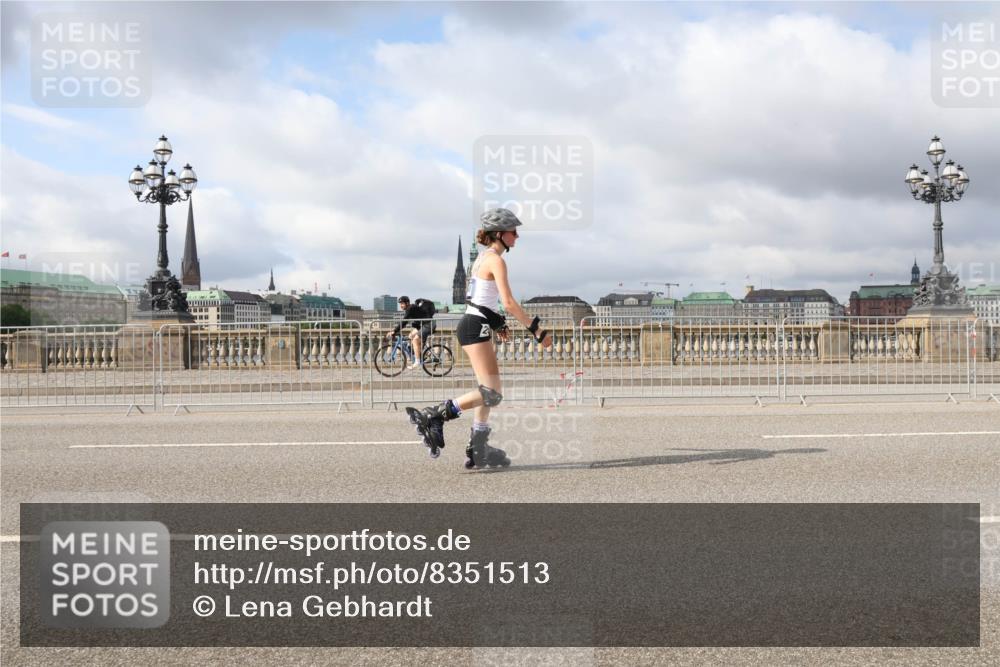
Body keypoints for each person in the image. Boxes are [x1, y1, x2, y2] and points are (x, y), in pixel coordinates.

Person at [406, 208, 553, 468]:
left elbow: (479, 299)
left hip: (476, 323)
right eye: (513, 232)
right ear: (500, 234)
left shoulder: (484, 258)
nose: (517, 237)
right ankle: (437, 415)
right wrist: (537, 330)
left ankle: (478, 446)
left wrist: (496, 323)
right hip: (474, 327)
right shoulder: (496, 260)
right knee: (492, 393)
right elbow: (507, 302)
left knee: (487, 391)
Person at [389, 296, 437, 371]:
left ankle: (417, 362)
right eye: (400, 304)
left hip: (428, 324)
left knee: (415, 340)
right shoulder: (410, 309)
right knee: (411, 336)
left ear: (407, 303)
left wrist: (394, 331)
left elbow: (404, 322)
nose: (401, 305)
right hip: (423, 324)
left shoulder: (410, 308)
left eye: (402, 304)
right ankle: (422, 355)